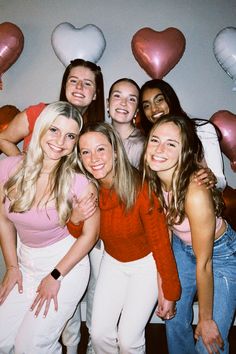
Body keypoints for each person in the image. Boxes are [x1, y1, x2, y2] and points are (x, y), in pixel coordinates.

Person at [0, 58, 105, 354]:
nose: (60, 141)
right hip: (24, 261)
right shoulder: (8, 168)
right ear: (41, 128)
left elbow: (89, 235)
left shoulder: (79, 183)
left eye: (70, 136)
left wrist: (56, 276)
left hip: (64, 265)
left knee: (30, 346)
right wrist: (11, 267)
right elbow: (4, 220)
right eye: (54, 131)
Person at [67, 122, 181, 354]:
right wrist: (75, 218)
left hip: (145, 265)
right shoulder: (91, 189)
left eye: (100, 149)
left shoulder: (142, 189)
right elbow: (81, 235)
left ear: (115, 151)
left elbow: (161, 244)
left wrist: (170, 292)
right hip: (113, 262)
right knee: (98, 335)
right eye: (85, 152)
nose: (93, 158)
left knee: (128, 340)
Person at [144, 115, 236, 354]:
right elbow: (162, 239)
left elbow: (204, 263)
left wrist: (205, 319)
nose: (159, 149)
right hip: (182, 249)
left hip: (221, 255)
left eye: (171, 144)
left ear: (184, 152)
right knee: (173, 320)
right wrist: (165, 290)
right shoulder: (152, 181)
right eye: (155, 140)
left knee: (211, 340)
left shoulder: (194, 193)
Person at [0, 58, 105, 156]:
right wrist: (23, 167)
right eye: (73, 80)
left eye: (87, 83)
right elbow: (3, 139)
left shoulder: (96, 133)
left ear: (95, 94)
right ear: (65, 86)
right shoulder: (39, 113)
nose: (79, 86)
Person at [139, 79, 227, 190]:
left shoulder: (202, 129)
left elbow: (221, 182)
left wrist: (211, 179)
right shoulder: (148, 142)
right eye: (146, 105)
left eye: (159, 100)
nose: (154, 109)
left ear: (170, 99)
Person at [107, 78, 145, 169]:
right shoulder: (98, 136)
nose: (123, 103)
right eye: (117, 96)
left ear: (137, 110)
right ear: (108, 104)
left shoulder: (142, 146)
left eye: (131, 99)